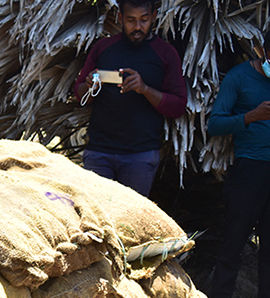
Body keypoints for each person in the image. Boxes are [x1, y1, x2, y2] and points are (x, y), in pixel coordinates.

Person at [206, 26, 270, 298]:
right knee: (234, 242)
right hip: (249, 168)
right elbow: (214, 123)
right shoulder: (239, 77)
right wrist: (250, 117)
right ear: (262, 51)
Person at [73, 0, 187, 197]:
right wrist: (89, 84)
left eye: (144, 20)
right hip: (99, 152)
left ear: (154, 17)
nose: (137, 27)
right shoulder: (103, 48)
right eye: (130, 20)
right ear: (119, 18)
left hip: (140, 155)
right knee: (97, 217)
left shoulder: (166, 53)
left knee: (130, 221)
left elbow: (178, 106)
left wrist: (144, 89)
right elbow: (80, 94)